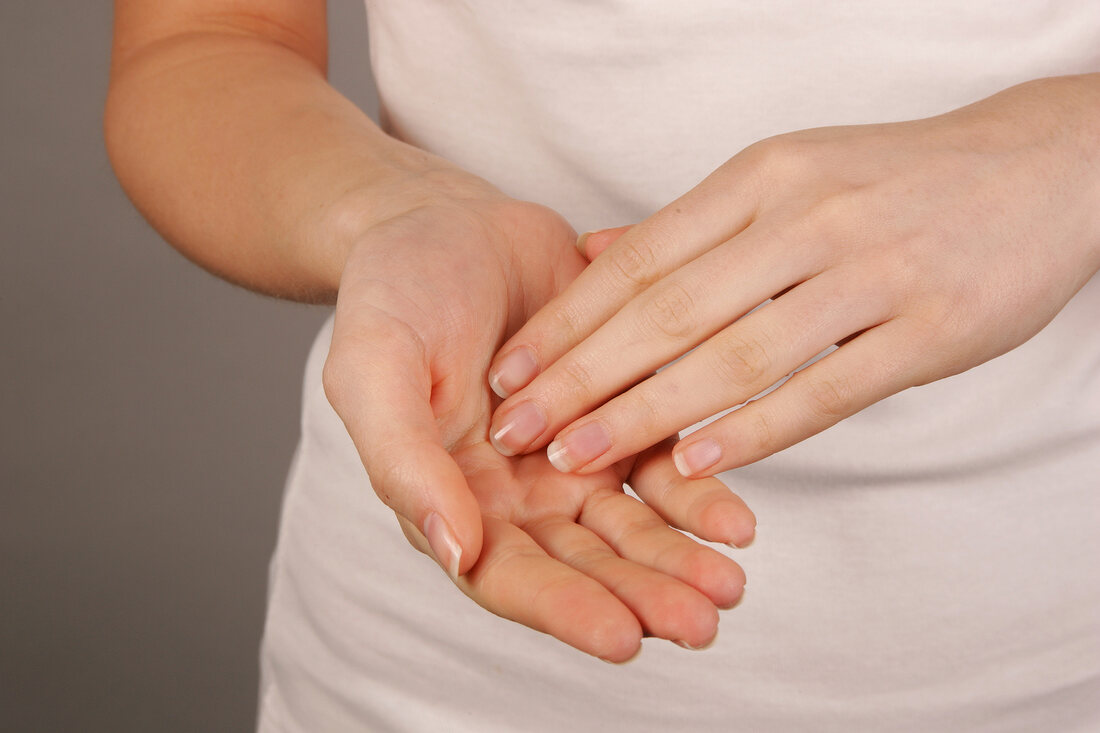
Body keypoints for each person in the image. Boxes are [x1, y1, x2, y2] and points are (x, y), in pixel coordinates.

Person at [106, 1, 1100, 730]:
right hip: (448, 620)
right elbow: (207, 43)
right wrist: (393, 213)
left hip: (1054, 654)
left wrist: (1072, 155)